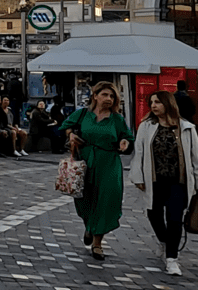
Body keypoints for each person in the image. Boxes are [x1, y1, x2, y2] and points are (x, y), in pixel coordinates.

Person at [60, 81, 135, 261]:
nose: (108, 99)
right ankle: (89, 226)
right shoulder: (83, 114)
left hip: (109, 164)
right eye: (105, 95)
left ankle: (97, 243)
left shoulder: (117, 119)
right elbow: (65, 127)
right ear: (95, 96)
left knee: (106, 201)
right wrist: (71, 134)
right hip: (85, 162)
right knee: (84, 201)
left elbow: (127, 137)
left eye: (111, 96)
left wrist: (125, 143)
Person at [128, 91, 198, 276]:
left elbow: (195, 158)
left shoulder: (187, 128)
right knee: (154, 215)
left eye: (157, 102)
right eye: (151, 102)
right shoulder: (147, 126)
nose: (153, 105)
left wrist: (197, 182)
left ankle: (172, 259)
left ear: (168, 103)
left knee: (175, 219)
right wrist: (138, 177)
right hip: (155, 181)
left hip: (178, 182)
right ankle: (164, 241)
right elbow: (139, 153)